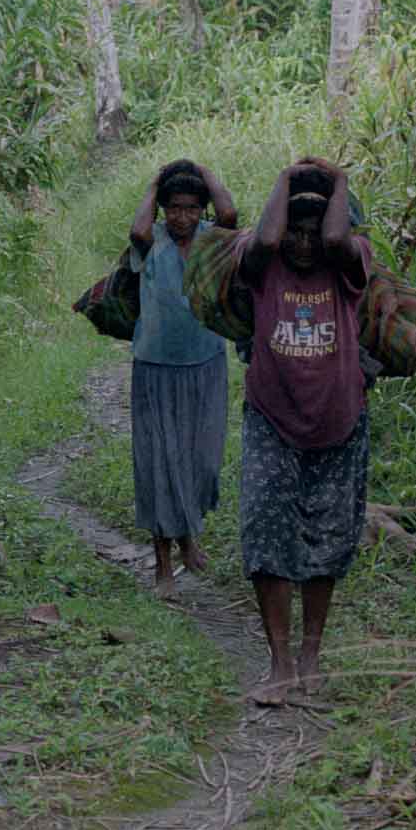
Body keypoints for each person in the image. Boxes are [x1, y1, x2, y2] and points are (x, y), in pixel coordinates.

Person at [236, 156, 371, 704]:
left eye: (312, 232)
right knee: (267, 533)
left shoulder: (350, 263)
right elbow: (267, 238)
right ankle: (280, 663)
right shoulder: (262, 265)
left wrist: (339, 180)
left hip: (339, 420)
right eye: (295, 230)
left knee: (327, 539)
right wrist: (285, 179)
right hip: (272, 417)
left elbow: (337, 236)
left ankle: (311, 655)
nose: (304, 242)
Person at [128, 158, 238, 596]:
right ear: (163, 209)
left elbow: (229, 213)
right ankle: (162, 565)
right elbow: (138, 228)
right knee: (159, 461)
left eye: (192, 208)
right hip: (155, 368)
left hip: (206, 363)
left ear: (202, 209)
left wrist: (205, 170)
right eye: (174, 207)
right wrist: (155, 181)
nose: (182, 217)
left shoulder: (213, 239)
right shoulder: (151, 240)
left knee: (202, 462)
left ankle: (189, 538)